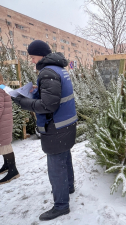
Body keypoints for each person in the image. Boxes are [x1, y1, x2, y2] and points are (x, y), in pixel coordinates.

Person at [12, 40, 77, 221]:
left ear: (40, 54)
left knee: (56, 166)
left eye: (32, 57)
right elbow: (56, 95)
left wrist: (21, 100)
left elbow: (48, 105)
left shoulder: (47, 72)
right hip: (67, 123)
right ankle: (68, 187)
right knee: (65, 157)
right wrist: (37, 90)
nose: (32, 60)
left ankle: (61, 205)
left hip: (55, 126)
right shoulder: (59, 69)